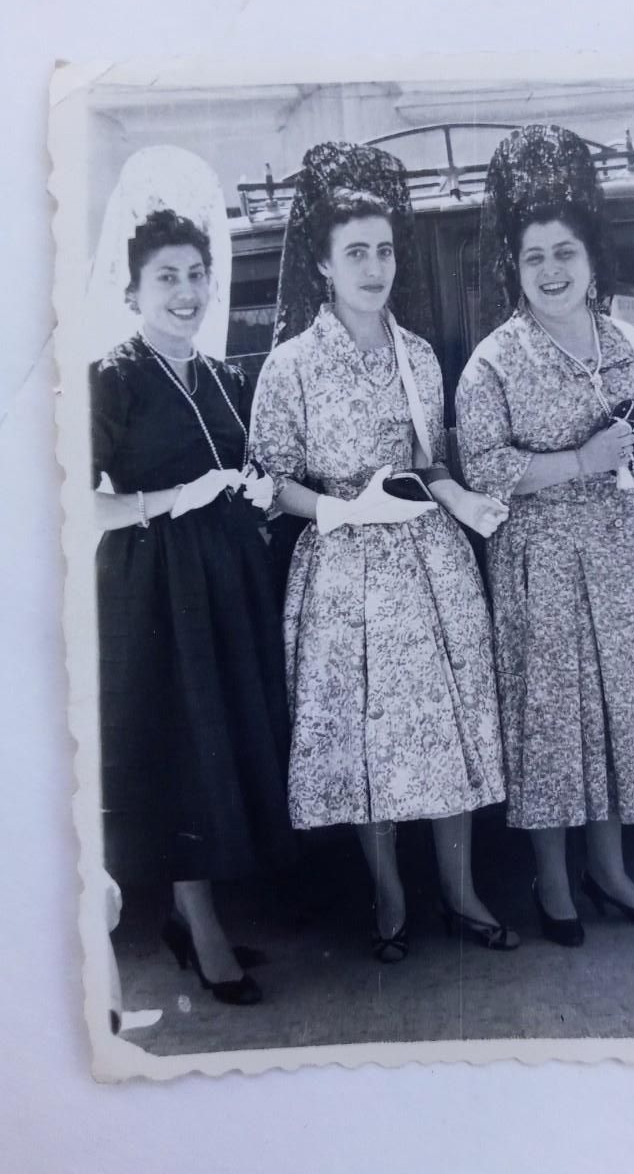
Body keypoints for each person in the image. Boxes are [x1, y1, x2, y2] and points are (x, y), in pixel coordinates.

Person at [249, 141, 518, 962]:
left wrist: (461, 497)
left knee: (450, 729)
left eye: (384, 249)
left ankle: (463, 893)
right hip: (343, 572)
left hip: (429, 566)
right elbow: (267, 479)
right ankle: (389, 897)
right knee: (367, 741)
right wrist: (337, 509)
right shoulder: (291, 366)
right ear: (325, 267)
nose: (374, 266)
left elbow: (429, 459)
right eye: (355, 252)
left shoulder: (420, 355)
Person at [455, 125, 634, 946]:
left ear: (591, 260)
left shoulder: (625, 337)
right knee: (554, 724)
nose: (552, 271)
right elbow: (483, 467)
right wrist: (577, 459)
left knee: (616, 717)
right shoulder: (494, 360)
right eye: (534, 258)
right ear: (514, 270)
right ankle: (555, 886)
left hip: (625, 559)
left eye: (564, 253)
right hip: (544, 565)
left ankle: (612, 875)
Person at [89, 149, 295, 1006]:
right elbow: (76, 508)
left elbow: (239, 470)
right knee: (184, 751)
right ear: (133, 291)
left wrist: (249, 493)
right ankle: (199, 928)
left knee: (226, 746)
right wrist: (174, 497)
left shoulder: (221, 376)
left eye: (197, 275)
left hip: (226, 583)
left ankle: (193, 916)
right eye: (166, 277)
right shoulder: (113, 380)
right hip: (155, 593)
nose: (185, 292)